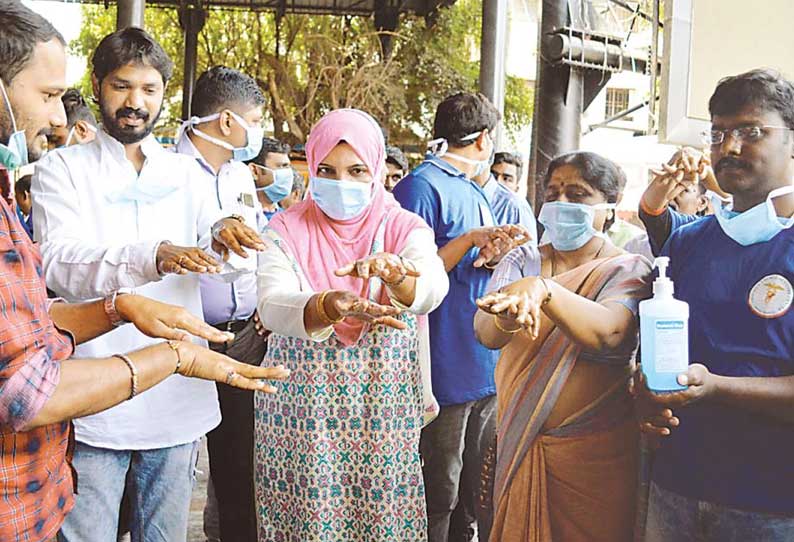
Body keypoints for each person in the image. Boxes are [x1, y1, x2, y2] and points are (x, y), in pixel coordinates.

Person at [0, 5, 288, 542]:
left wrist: (227, 238)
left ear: (164, 95)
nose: (136, 102)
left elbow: (224, 265)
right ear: (99, 87)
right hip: (90, 397)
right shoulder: (62, 169)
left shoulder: (188, 173)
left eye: (150, 89)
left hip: (177, 399)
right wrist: (152, 255)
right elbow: (59, 262)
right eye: (122, 86)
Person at [254, 108, 450, 540]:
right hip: (301, 413)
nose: (341, 183)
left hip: (381, 412)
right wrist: (326, 305)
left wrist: (397, 275)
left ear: (377, 169)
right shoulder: (285, 228)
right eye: (327, 169)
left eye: (357, 170)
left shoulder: (402, 226)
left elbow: (432, 285)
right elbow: (270, 303)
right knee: (305, 519)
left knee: (380, 520)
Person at [634, 68, 794, 542]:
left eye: (751, 131)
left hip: (772, 504)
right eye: (719, 132)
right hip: (675, 485)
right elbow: (653, 355)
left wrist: (716, 387)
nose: (730, 147)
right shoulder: (688, 243)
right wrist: (642, 391)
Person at [474, 151, 651, 542]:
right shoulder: (523, 259)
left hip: (595, 454)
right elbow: (487, 334)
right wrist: (509, 315)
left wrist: (544, 292)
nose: (561, 204)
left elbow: (611, 332)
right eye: (553, 193)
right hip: (520, 438)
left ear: (608, 208)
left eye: (578, 194)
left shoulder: (628, 269)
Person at [393, 92, 530, 542]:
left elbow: (471, 265)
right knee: (439, 486)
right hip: (442, 362)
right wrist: (471, 238)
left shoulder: (474, 188)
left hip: (480, 358)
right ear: (485, 138)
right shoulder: (420, 186)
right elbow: (409, 274)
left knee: (476, 483)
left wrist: (492, 253)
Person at [175, 65, 268, 542]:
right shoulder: (167, 171)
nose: (260, 131)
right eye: (256, 120)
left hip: (245, 335)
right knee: (175, 461)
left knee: (239, 465)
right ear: (229, 121)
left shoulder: (239, 174)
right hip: (187, 337)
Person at [638, 148, 724, 256]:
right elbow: (651, 212)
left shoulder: (736, 229)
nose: (672, 196)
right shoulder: (689, 231)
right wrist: (670, 176)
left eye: (682, 189)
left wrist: (723, 191)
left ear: (702, 203)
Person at [475, 164, 538, 245]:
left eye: (506, 179)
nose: (498, 181)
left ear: (517, 187)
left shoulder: (516, 205)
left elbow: (527, 251)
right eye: (494, 175)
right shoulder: (471, 194)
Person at [247, 136, 292, 220]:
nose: (288, 173)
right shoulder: (243, 218)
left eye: (288, 166)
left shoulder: (288, 218)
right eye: (281, 166)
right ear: (255, 171)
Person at [14, 170, 34, 239]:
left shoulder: (35, 216)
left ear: (25, 195)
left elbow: (27, 238)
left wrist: (15, 213)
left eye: (17, 197)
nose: (17, 202)